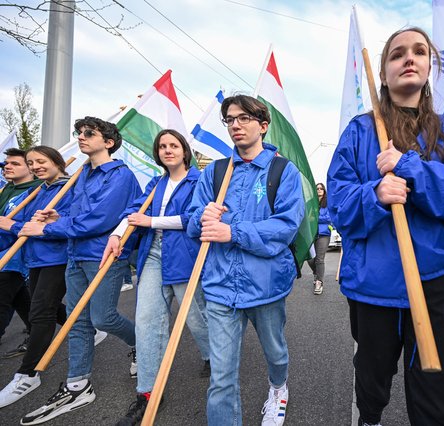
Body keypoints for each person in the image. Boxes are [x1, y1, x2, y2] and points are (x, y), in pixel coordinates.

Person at [327, 28, 444, 425]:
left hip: (435, 281)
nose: (409, 58)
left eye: (419, 52)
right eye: (397, 54)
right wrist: (375, 195)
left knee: (440, 399)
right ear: (384, 75)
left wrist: (410, 169)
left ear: (428, 68)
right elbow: (338, 204)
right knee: (371, 381)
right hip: (373, 284)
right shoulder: (359, 132)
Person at [187, 94, 304, 426]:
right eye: (230, 120)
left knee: (275, 352)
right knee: (221, 377)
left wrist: (232, 231)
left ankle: (278, 388)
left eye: (244, 118)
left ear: (263, 126)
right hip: (220, 287)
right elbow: (194, 221)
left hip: (265, 285)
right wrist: (202, 217)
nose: (235, 125)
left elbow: (285, 226)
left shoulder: (283, 170)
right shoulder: (215, 172)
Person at [18, 116, 142, 425]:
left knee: (103, 317)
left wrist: (46, 230)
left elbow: (99, 220)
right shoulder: (83, 172)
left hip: (103, 256)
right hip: (75, 254)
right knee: (76, 321)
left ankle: (140, 341)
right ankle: (77, 385)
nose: (81, 137)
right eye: (79, 133)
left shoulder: (120, 175)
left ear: (108, 142)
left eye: (89, 133)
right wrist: (55, 215)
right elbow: (78, 212)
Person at [102, 129, 210, 425]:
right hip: (152, 253)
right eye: (162, 146)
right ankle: (148, 393)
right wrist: (116, 234)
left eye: (173, 145)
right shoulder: (155, 182)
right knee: (148, 321)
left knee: (197, 319)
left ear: (184, 151)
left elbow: (195, 218)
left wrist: (151, 221)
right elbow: (133, 211)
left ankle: (213, 356)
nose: (167, 150)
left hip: (186, 255)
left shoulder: (199, 181)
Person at [0, 146, 73, 408]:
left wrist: (23, 226)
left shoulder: (71, 186)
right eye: (31, 163)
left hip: (57, 257)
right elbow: (25, 223)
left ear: (56, 161)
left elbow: (71, 224)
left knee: (41, 312)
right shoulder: (39, 190)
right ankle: (83, 327)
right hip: (34, 258)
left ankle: (28, 374)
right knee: (37, 310)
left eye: (41, 161)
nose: (36, 166)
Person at [0, 148, 41, 357]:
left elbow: (31, 226)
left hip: (14, 257)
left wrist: (9, 226)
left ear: (30, 168)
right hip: (3, 254)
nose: (7, 167)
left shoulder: (36, 191)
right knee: (24, 302)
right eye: (5, 164)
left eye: (15, 164)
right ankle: (76, 323)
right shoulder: (6, 189)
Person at [307, 182, 331, 295]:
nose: (319, 190)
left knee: (319, 259)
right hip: (312, 234)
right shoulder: (311, 203)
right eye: (317, 188)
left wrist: (315, 217)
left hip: (324, 234)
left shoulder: (328, 203)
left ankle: (319, 282)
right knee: (310, 258)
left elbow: (329, 218)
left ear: (324, 191)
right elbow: (307, 217)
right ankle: (317, 273)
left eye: (321, 188)